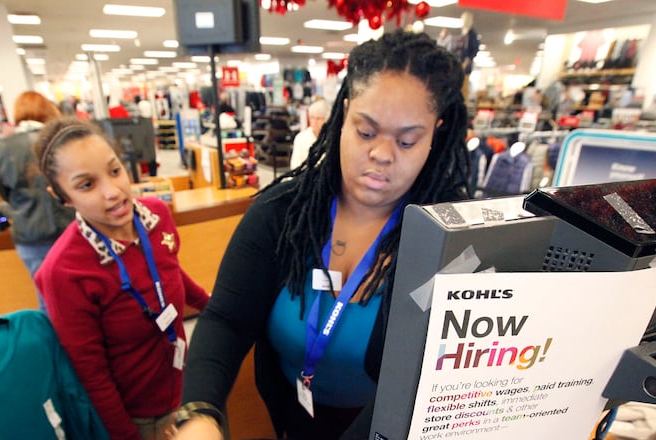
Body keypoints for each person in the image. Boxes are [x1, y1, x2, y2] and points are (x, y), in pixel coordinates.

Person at [172, 29, 471, 440]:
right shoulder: (283, 213)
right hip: (290, 419)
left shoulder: (455, 241)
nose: (382, 154)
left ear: (435, 134)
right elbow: (227, 320)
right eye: (366, 132)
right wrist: (199, 414)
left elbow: (448, 376)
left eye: (407, 140)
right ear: (343, 115)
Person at [32, 116, 210, 440]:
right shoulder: (64, 271)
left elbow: (169, 270)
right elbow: (92, 375)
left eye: (115, 171)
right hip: (138, 417)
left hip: (184, 386)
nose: (113, 192)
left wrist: (214, 308)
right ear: (63, 196)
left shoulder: (156, 216)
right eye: (87, 184)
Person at [0, 91, 75, 312]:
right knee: (81, 296)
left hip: (29, 234)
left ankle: (50, 345)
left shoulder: (3, 147)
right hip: (69, 229)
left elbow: (3, 191)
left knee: (47, 300)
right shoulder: (62, 141)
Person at [290, 98, 331, 170]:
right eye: (312, 118)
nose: (314, 121)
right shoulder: (301, 138)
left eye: (318, 118)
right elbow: (295, 165)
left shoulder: (332, 138)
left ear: (326, 120)